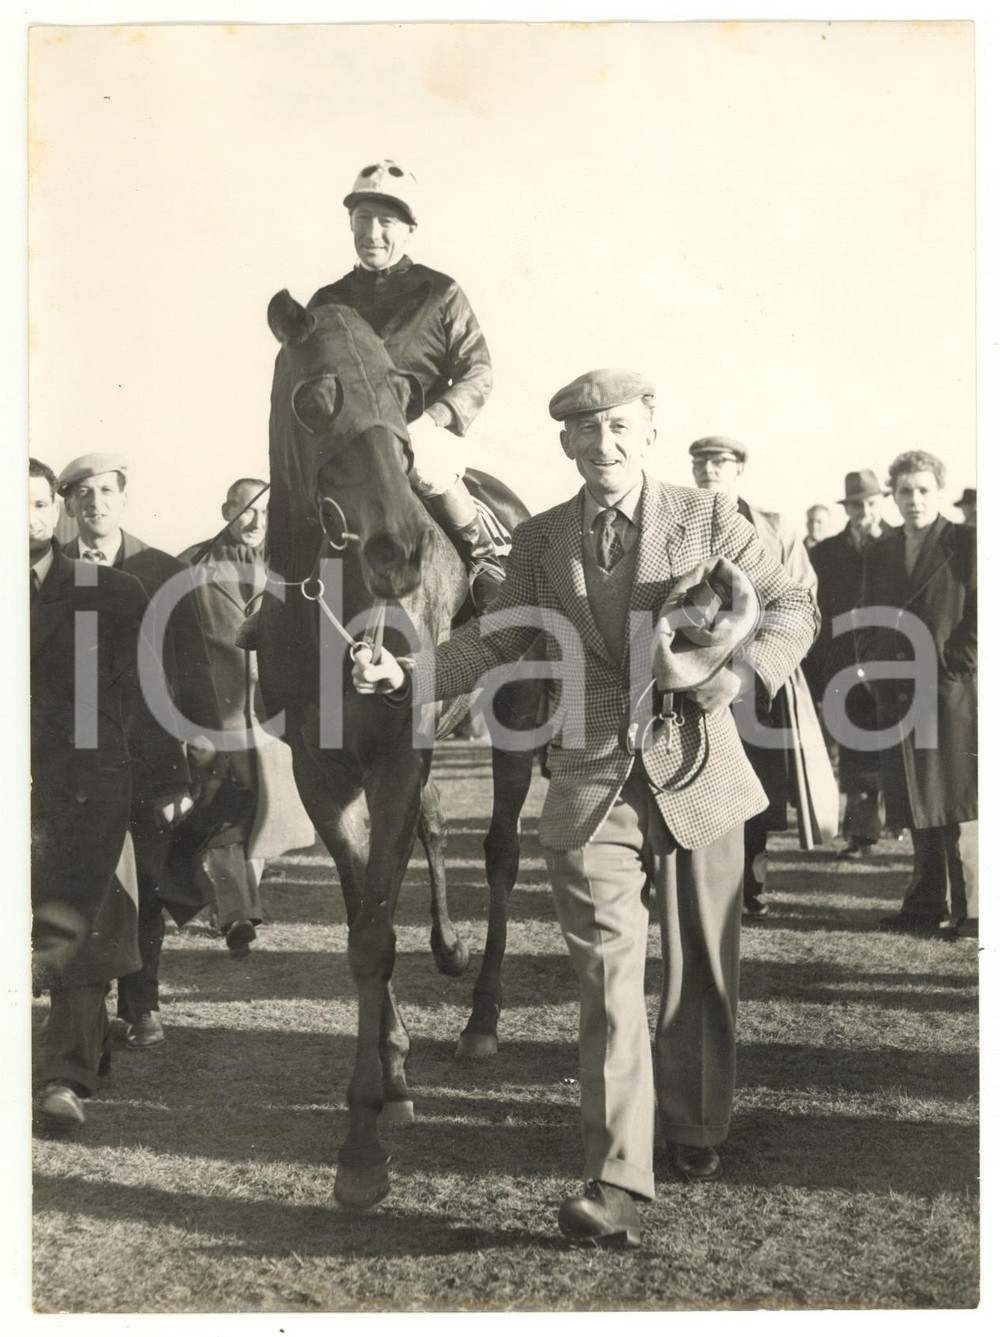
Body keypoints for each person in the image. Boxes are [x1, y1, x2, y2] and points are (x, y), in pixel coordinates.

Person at [353, 370, 817, 1246]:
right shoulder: (540, 540)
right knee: (608, 982)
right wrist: (406, 674)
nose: (603, 445)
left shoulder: (710, 517)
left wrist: (742, 675)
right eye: (585, 432)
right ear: (565, 443)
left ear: (647, 433)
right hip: (590, 781)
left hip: (703, 774)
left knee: (701, 974)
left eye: (618, 429)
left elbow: (795, 605)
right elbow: (498, 639)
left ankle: (695, 1123)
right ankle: (616, 1178)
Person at [30, 459, 191, 1128]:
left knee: (79, 919)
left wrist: (170, 777)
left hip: (87, 785)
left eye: (36, 505)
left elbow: (146, 696)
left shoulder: (116, 592)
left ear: (51, 512)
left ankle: (62, 1078)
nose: (27, 517)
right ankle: (82, 1058)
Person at [58, 453, 222, 1049]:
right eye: (83, 494)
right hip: (73, 760)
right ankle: (81, 1009)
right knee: (83, 880)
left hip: (150, 751)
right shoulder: (46, 571)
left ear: (123, 498)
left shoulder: (163, 569)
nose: (95, 503)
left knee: (148, 880)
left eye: (106, 491)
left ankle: (143, 1003)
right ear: (68, 505)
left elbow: (193, 660)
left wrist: (205, 734)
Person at [307, 158, 505, 609]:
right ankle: (277, 595)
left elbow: (478, 369)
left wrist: (435, 420)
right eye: (362, 220)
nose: (372, 233)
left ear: (409, 229)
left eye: (386, 221)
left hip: (418, 436)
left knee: (429, 463)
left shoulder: (441, 292)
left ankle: (483, 560)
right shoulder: (327, 300)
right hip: (348, 438)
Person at [689, 436, 824, 919]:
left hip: (756, 677)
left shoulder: (773, 527)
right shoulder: (679, 523)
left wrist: (762, 658)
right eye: (700, 461)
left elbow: (802, 594)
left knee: (758, 778)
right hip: (695, 673)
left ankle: (751, 886)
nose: (709, 469)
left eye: (719, 461)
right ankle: (704, 884)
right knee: (698, 777)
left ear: (739, 469)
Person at [178, 478, 314, 956]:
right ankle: (238, 915)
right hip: (214, 717)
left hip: (275, 718)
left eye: (266, 512)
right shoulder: (189, 567)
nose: (256, 521)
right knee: (225, 815)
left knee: (263, 818)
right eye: (245, 510)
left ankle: (231, 904)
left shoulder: (292, 569)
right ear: (225, 511)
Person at [856, 451, 977, 939]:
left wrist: (956, 665)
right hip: (898, 689)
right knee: (917, 800)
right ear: (894, 495)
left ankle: (973, 912)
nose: (914, 500)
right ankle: (924, 906)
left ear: (940, 491)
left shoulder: (966, 542)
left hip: (951, 691)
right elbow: (866, 610)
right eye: (905, 491)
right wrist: (872, 665)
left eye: (924, 490)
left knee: (959, 802)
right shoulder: (882, 549)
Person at [808, 469, 897, 855]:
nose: (865, 510)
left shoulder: (901, 543)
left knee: (894, 747)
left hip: (896, 663)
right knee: (855, 748)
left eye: (871, 502)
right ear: (847, 507)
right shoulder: (825, 553)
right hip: (843, 664)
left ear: (881, 502)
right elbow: (817, 616)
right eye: (857, 504)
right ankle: (861, 833)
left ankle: (896, 820)